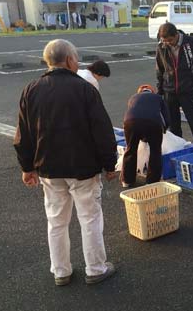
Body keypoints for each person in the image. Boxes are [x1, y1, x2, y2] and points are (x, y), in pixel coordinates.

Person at [14, 39, 117, 286]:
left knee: (56, 221)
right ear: (70, 60)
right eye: (76, 58)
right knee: (89, 218)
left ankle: (61, 272)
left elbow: (23, 134)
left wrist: (27, 167)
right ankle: (95, 269)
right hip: (83, 168)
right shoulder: (85, 89)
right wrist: (110, 164)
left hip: (49, 169)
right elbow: (102, 131)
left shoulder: (31, 89)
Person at [156, 22, 193, 151]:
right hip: (169, 91)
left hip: (188, 90)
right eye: (164, 40)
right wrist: (160, 91)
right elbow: (160, 70)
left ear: (176, 35)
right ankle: (178, 151)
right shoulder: (161, 47)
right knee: (173, 126)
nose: (167, 43)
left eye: (170, 40)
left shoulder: (191, 43)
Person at [120, 84, 169, 188]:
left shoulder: (133, 98)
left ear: (139, 92)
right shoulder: (158, 98)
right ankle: (152, 181)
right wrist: (164, 129)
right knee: (155, 151)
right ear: (152, 91)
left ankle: (127, 180)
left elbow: (132, 113)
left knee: (130, 149)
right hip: (152, 123)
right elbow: (166, 116)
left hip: (130, 122)